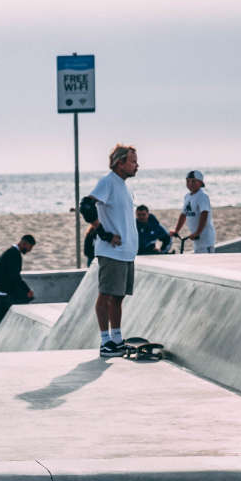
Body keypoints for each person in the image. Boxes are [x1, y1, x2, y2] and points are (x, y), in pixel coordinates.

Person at [89, 144, 139, 357]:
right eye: (133, 161)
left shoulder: (124, 186)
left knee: (118, 297)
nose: (137, 165)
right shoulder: (107, 182)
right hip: (111, 252)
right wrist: (105, 234)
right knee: (106, 294)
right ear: (120, 163)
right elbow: (86, 206)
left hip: (126, 252)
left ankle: (117, 339)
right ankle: (105, 341)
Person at [0, 234, 36, 323]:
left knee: (2, 315)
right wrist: (27, 290)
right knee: (23, 300)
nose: (29, 250)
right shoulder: (14, 255)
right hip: (0, 289)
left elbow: (13, 277)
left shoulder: (11, 252)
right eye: (30, 247)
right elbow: (15, 277)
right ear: (24, 243)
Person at [169, 170, 217, 253]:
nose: (190, 184)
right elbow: (183, 215)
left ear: (200, 183)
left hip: (206, 239)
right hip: (196, 239)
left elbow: (204, 214)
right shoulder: (187, 196)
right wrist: (176, 230)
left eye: (193, 181)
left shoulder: (202, 196)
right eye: (188, 181)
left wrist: (198, 232)